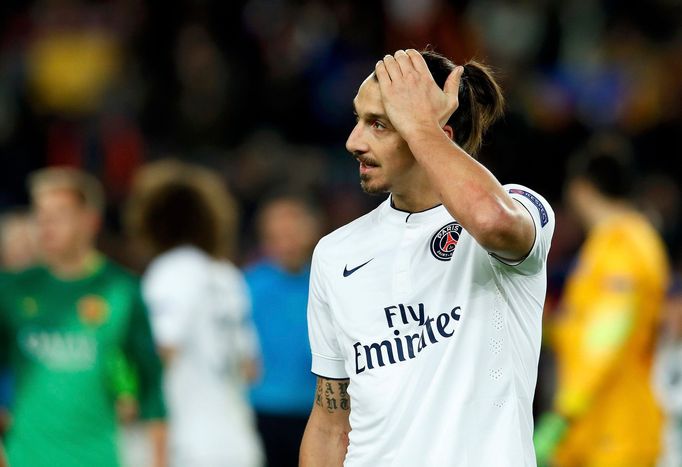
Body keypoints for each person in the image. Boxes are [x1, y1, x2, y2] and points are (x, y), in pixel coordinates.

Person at [299, 49, 555, 466]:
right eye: (358, 119)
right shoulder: (335, 253)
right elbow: (331, 421)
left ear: (438, 134)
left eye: (379, 124)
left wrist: (419, 124)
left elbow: (490, 221)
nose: (353, 141)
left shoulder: (519, 208)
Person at [0, 167, 167, 467]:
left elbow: (151, 384)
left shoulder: (121, 290)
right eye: (40, 214)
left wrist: (159, 458)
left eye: (59, 214)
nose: (46, 225)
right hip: (25, 458)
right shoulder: (12, 289)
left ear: (89, 221)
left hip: (96, 457)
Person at [534, 135, 669, 466]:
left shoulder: (624, 245)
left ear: (580, 188)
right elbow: (587, 326)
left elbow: (607, 335)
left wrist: (565, 411)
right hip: (595, 429)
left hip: (616, 430)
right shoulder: (608, 245)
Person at [126, 160, 264, 467]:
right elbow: (251, 368)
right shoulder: (227, 276)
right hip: (237, 444)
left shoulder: (171, 271)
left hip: (185, 446)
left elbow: (162, 351)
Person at [246, 193, 322, 466]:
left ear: (311, 231)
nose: (285, 243)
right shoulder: (248, 285)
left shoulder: (326, 280)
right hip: (262, 407)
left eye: (292, 233)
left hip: (316, 411)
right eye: (276, 236)